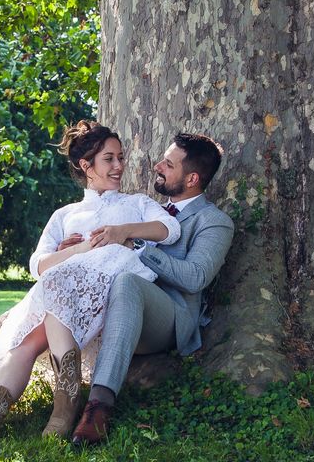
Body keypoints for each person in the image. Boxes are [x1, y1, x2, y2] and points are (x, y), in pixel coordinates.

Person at [0, 120, 181, 445]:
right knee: (25, 339)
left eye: (120, 157)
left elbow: (170, 229)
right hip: (60, 297)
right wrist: (79, 249)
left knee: (40, 314)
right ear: (86, 166)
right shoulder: (65, 215)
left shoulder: (136, 204)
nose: (119, 166)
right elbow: (38, 266)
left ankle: (40, 412)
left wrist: (123, 231)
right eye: (109, 159)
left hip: (107, 295)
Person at [69, 132, 234, 445]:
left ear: (192, 178)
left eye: (168, 164)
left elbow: (196, 277)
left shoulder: (213, 221)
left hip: (171, 317)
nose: (157, 166)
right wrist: (76, 248)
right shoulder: (147, 209)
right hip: (120, 305)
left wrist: (140, 243)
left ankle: (98, 406)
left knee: (128, 282)